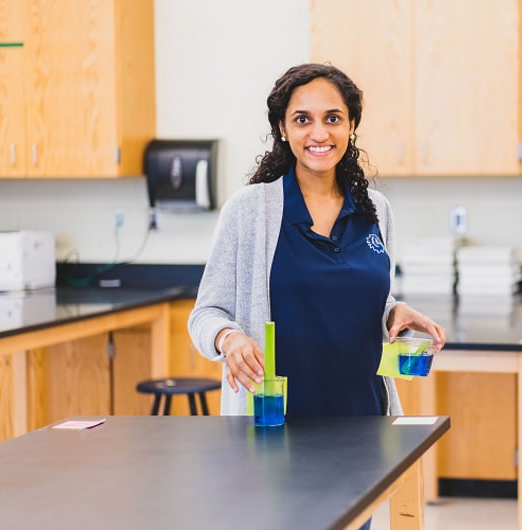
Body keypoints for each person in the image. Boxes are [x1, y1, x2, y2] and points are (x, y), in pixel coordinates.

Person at [188, 63, 446, 423]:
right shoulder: (248, 212)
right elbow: (205, 315)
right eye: (303, 120)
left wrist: (392, 311)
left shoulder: (376, 210)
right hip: (276, 424)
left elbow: (357, 297)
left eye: (333, 118)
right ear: (282, 128)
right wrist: (228, 338)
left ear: (351, 125)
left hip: (367, 420)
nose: (319, 133)